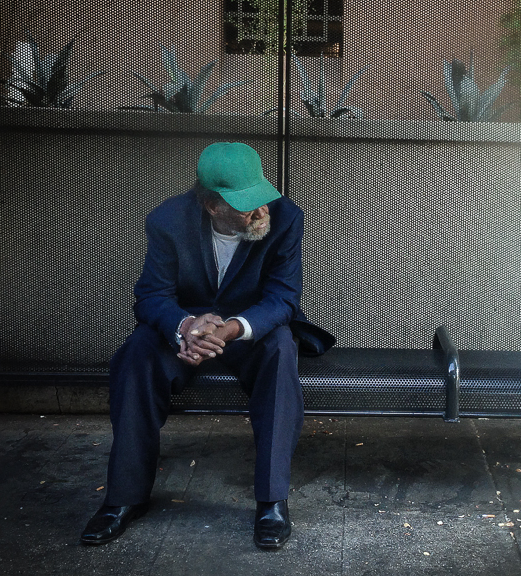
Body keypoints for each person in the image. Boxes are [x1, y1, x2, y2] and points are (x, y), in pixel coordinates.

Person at [80, 142, 332, 549]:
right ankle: (124, 498)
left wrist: (231, 328)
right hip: (191, 329)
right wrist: (185, 326)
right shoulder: (168, 220)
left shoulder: (286, 218)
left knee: (281, 350)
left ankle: (272, 501)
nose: (261, 210)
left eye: (262, 196)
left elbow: (283, 298)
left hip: (252, 326)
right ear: (213, 206)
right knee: (136, 354)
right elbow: (151, 296)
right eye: (247, 205)